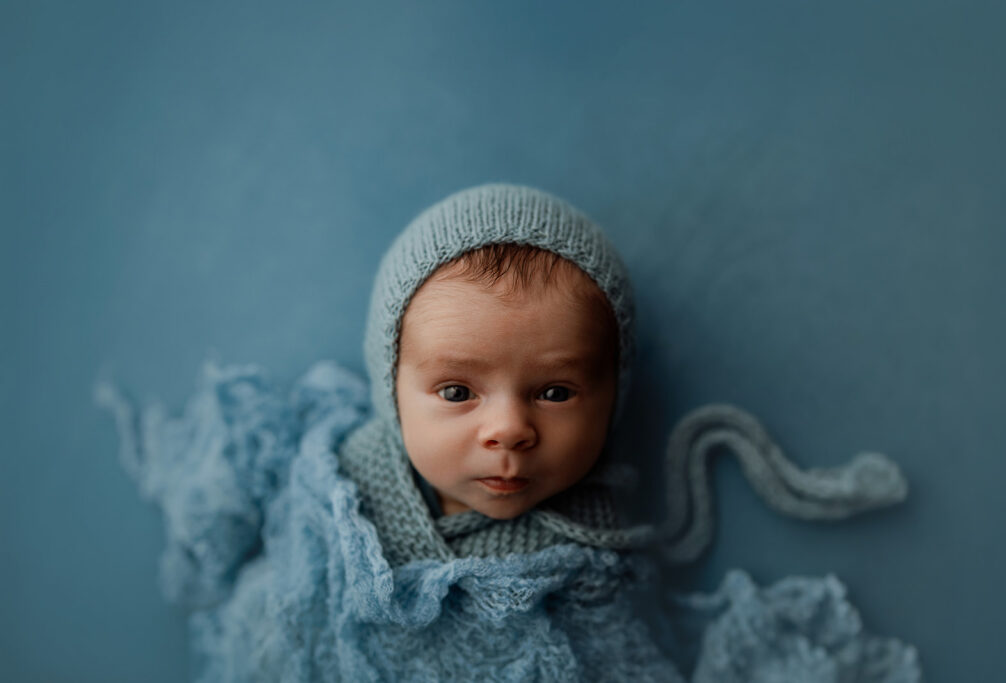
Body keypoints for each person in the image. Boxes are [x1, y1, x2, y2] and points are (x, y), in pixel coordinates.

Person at [96, 183, 922, 681]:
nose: (509, 430)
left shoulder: (590, 562)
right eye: (457, 390)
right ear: (392, 389)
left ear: (613, 395)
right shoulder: (331, 470)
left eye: (555, 391)